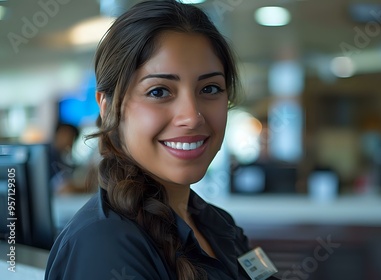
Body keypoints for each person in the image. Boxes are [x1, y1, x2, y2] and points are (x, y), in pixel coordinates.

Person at [45, 1, 278, 279]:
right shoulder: (103, 245)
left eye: (210, 88)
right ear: (108, 108)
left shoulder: (216, 222)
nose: (192, 117)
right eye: (158, 92)